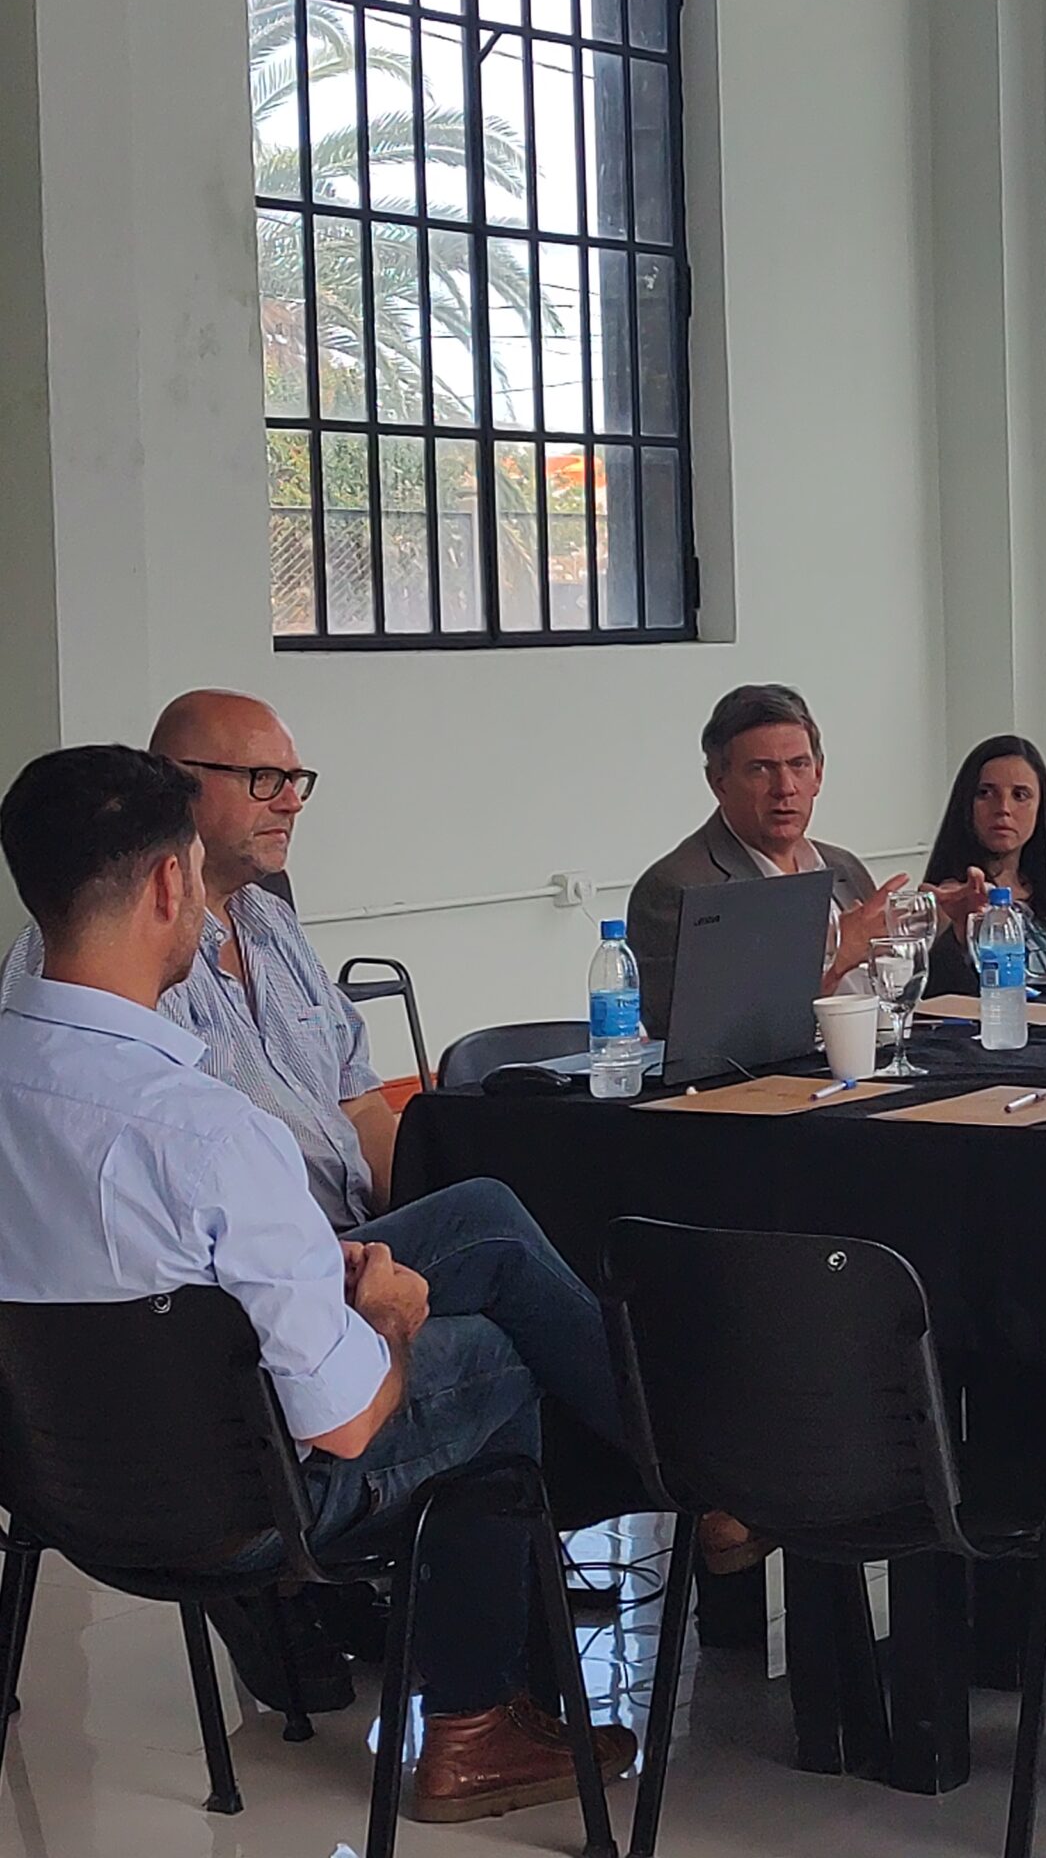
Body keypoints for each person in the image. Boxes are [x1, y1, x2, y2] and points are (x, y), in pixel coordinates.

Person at [0, 745, 643, 1825]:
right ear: (170, 881)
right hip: (235, 1500)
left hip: (63, 1480)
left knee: (479, 1221)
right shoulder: (206, 1131)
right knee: (493, 1357)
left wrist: (311, 1270)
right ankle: (473, 1726)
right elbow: (347, 1424)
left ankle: (680, 1460)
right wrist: (385, 1320)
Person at [0, 690, 397, 1231]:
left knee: (485, 1201)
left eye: (295, 780)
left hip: (355, 1237)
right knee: (488, 1215)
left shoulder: (273, 921)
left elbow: (362, 1102)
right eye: (264, 778)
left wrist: (413, 1208)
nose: (291, 802)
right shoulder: (84, 950)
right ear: (177, 783)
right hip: (235, 1252)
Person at [629, 685, 959, 1033]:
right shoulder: (677, 888)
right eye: (760, 769)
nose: (785, 787)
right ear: (719, 782)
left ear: (818, 774)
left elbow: (895, 989)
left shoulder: (842, 866)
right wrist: (836, 954)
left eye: (798, 765)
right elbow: (692, 1035)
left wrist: (946, 927)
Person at [921, 735, 1046, 994]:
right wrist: (957, 933)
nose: (1003, 808)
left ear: (1040, 808)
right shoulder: (952, 899)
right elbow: (936, 995)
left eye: (1020, 795)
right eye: (985, 793)